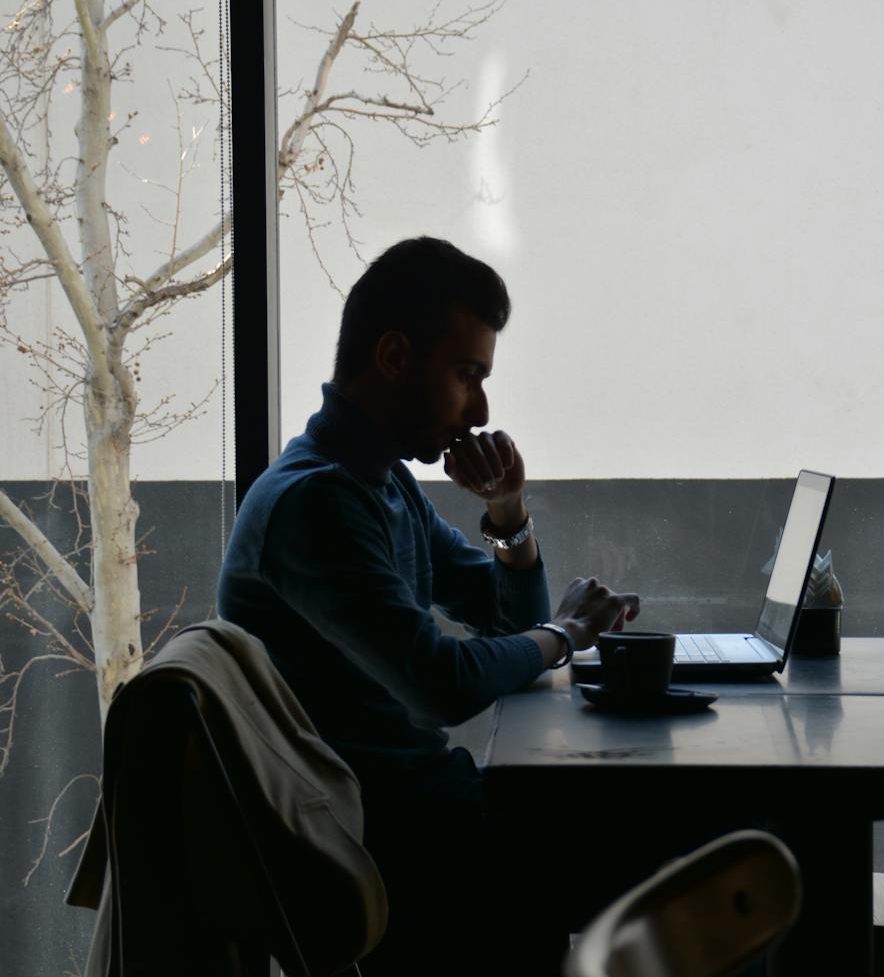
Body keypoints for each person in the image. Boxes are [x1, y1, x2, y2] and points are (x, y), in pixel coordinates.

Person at [216, 236, 640, 973]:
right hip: (396, 852)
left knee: (707, 855)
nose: (480, 406)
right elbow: (441, 682)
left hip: (424, 823)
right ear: (392, 359)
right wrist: (565, 633)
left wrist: (507, 512)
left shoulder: (380, 482)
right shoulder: (317, 504)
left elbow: (505, 619)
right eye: (466, 374)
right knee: (716, 862)